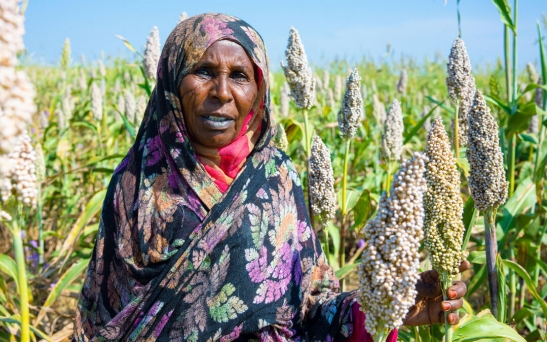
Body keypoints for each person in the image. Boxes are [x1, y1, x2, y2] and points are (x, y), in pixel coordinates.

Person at [74, 13, 468, 341]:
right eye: (204, 71)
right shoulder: (138, 183)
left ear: (259, 89)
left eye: (240, 75)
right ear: (173, 81)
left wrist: (390, 301)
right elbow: (110, 321)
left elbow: (310, 305)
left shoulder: (276, 178)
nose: (223, 91)